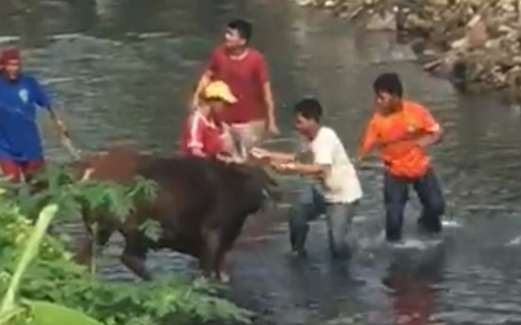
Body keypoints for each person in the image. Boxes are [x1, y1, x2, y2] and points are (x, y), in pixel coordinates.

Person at [251, 98, 362, 258]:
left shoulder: (325, 138)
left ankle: (350, 260)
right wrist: (267, 155)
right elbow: (297, 158)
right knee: (297, 213)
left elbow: (320, 170)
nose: (296, 126)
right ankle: (297, 252)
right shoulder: (309, 139)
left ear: (312, 121)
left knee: (337, 245)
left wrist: (290, 169)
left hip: (342, 196)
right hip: (323, 191)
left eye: (299, 122)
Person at [358, 72, 445, 242]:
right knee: (394, 222)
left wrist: (423, 142)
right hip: (395, 173)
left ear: (396, 96)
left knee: (437, 207)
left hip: (421, 169)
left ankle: (426, 226)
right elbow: (363, 150)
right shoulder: (377, 121)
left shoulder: (417, 111)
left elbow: (438, 133)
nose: (378, 102)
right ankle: (393, 252)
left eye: (382, 98)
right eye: (377, 97)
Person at [192, 18, 278, 155]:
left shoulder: (256, 60)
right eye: (226, 33)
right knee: (225, 154)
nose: (226, 37)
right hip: (224, 120)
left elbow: (266, 91)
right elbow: (207, 76)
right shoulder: (219, 54)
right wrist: (196, 98)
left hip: (250, 121)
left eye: (231, 34)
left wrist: (271, 120)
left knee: (244, 156)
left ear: (242, 41)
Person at [0, 47, 69, 182]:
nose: (14, 69)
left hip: (30, 144)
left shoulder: (29, 83)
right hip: (5, 147)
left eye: (17, 65)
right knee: (12, 184)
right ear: (3, 66)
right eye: (10, 65)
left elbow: (48, 104)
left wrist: (59, 123)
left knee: (38, 184)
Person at [180, 80, 238, 160]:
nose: (226, 107)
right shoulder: (196, 121)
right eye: (224, 103)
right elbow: (195, 153)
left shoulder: (216, 124)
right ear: (214, 101)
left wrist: (226, 136)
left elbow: (226, 150)